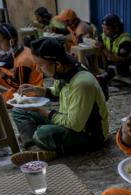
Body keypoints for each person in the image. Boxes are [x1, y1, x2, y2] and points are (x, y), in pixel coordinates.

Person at [10, 37, 109, 166]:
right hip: (67, 121)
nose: (38, 70)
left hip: (89, 136)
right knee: (19, 111)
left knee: (42, 133)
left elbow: (74, 125)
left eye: (40, 65)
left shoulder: (82, 83)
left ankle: (40, 144)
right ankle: (34, 148)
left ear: (57, 64)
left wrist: (41, 111)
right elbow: (56, 92)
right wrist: (37, 89)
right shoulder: (63, 71)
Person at [0, 23, 43, 102]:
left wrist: (3, 75)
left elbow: (20, 86)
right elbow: (9, 61)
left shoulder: (23, 61)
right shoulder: (23, 49)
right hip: (20, 82)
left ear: (12, 41)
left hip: (29, 93)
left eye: (0, 42)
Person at [95, 13, 131, 83]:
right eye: (103, 28)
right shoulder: (106, 35)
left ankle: (101, 80)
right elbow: (99, 39)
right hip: (117, 63)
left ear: (116, 29)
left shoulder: (126, 40)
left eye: (107, 29)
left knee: (116, 66)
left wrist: (103, 48)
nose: (104, 31)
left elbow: (117, 59)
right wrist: (94, 41)